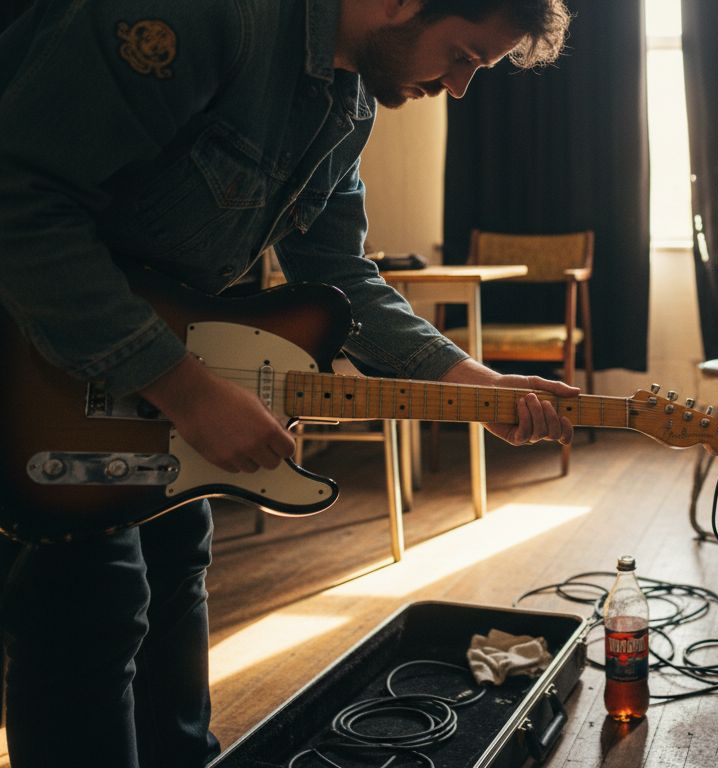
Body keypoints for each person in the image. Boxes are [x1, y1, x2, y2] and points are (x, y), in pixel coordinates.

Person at [0, 0, 572, 765]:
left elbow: (339, 276)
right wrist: (187, 388)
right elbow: (20, 201)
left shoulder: (350, 103)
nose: (460, 87)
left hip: (156, 379)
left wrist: (470, 382)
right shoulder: (206, 18)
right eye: (463, 55)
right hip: (34, 352)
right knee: (90, 608)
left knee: (175, 576)